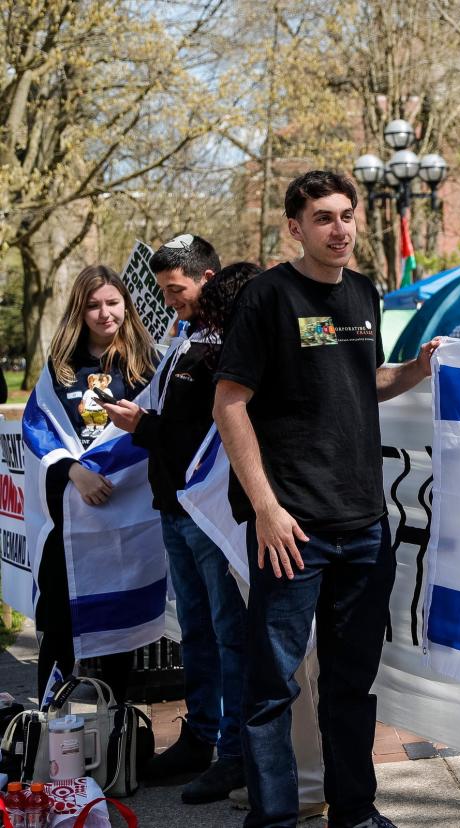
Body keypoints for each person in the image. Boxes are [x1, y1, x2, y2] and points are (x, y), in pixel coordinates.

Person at [213, 170, 438, 828]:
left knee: (352, 685)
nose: (339, 229)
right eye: (323, 218)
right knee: (272, 689)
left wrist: (420, 367)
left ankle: (356, 812)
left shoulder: (365, 293)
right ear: (295, 228)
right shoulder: (267, 297)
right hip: (293, 532)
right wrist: (266, 507)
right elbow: (230, 404)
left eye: (347, 215)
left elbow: (364, 381)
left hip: (366, 527)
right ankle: (275, 817)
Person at [102, 238, 249, 802]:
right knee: (197, 633)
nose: (169, 302)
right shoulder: (186, 336)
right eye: (163, 291)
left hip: (207, 510)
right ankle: (201, 737)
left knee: (227, 633)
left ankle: (234, 751)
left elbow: (207, 433)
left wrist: (142, 425)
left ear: (207, 279)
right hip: (175, 505)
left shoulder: (228, 341)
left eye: (176, 291)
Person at [30, 265, 158, 698]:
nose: (105, 314)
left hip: (132, 515)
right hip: (73, 514)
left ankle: (116, 721)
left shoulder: (149, 363)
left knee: (122, 615)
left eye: (113, 303)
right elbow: (39, 425)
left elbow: (164, 427)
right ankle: (50, 723)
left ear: (127, 305)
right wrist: (76, 473)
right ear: (79, 311)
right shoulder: (61, 367)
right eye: (93, 305)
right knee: (62, 619)